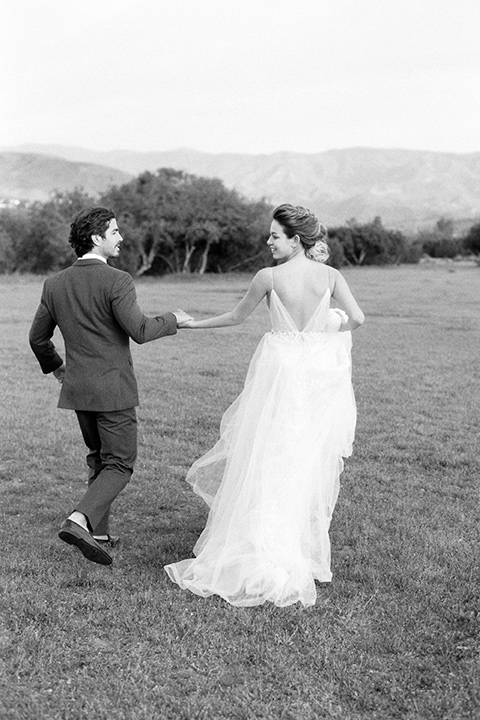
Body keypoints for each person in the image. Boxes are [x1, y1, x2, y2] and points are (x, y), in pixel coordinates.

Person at [164, 203, 364, 607]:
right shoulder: (330, 276)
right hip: (314, 380)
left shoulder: (269, 277)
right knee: (299, 460)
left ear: (296, 240)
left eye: (275, 235)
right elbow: (357, 318)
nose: (268, 241)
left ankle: (262, 549)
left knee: (269, 456)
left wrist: (192, 324)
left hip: (280, 378)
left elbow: (237, 317)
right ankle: (288, 552)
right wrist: (333, 322)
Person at [29, 207, 192, 566]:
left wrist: (58, 369)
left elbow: (38, 340)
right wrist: (174, 319)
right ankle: (78, 520)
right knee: (120, 464)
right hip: (113, 390)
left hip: (78, 390)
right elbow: (142, 330)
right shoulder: (117, 280)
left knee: (99, 458)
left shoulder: (54, 284)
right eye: (115, 232)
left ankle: (98, 532)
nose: (120, 237)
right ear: (96, 238)